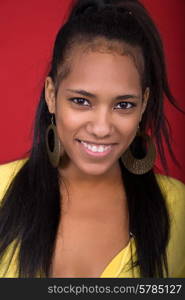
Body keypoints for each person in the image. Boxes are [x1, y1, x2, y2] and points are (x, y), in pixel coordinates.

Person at [0, 0, 185, 278]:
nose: (101, 128)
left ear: (144, 103)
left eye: (123, 105)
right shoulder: (2, 189)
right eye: (81, 101)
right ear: (51, 95)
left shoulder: (178, 208)